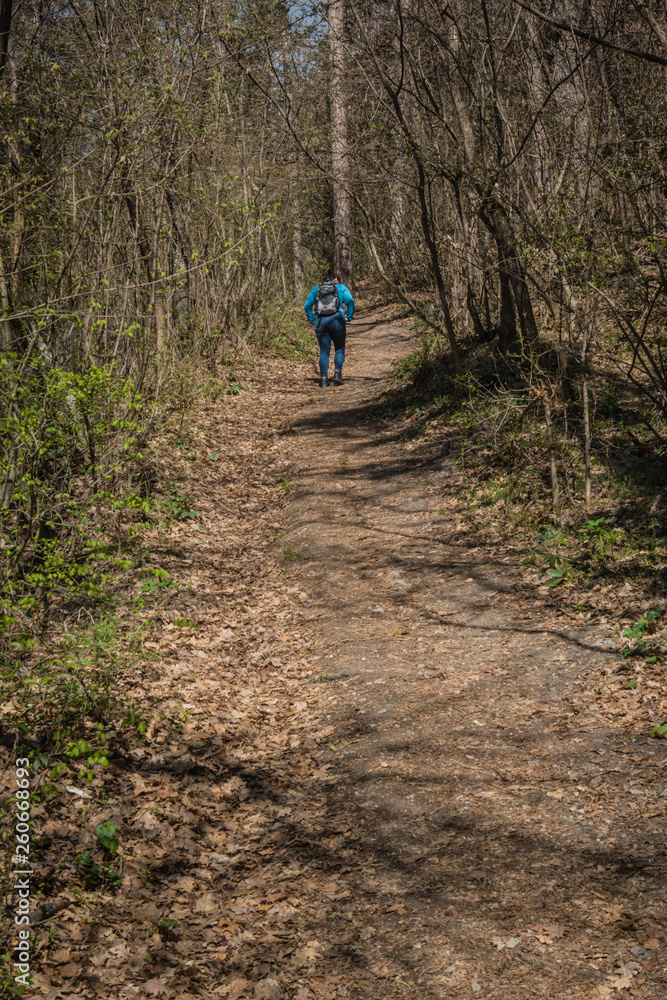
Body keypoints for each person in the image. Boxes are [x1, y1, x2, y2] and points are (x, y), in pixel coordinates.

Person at [304, 274, 354, 387]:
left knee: (324, 351)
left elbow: (307, 306)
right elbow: (350, 301)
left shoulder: (316, 289)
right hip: (337, 320)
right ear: (336, 281)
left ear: (325, 281)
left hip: (321, 321)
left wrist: (312, 320)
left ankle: (323, 379)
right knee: (339, 348)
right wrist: (349, 317)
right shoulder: (341, 288)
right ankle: (337, 375)